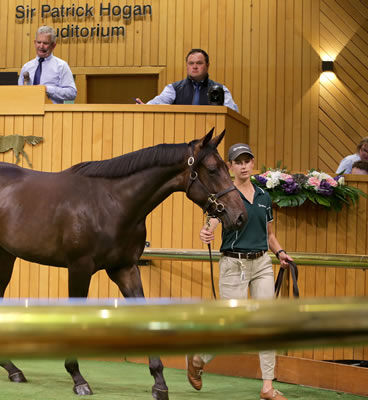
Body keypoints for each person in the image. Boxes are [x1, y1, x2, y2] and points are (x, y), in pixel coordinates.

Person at [186, 143, 293, 400]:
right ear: (230, 166)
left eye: (248, 160)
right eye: (239, 161)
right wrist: (207, 230)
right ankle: (199, 359)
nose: (244, 165)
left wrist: (280, 253)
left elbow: (270, 235)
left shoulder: (264, 197)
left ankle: (267, 386)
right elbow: (212, 221)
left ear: (252, 163)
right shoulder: (225, 194)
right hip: (234, 265)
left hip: (262, 264)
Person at [135, 48, 238, 112]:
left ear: (207, 65)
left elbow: (232, 114)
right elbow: (156, 104)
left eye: (199, 63)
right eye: (191, 63)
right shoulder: (173, 88)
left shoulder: (221, 89)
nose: (195, 66)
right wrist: (145, 107)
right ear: (187, 66)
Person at [18, 26, 77, 104]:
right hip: (28, 112)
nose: (41, 46)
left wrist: (47, 89)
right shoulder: (26, 67)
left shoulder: (61, 66)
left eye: (45, 43)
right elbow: (19, 93)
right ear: (35, 43)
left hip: (52, 115)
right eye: (39, 42)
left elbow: (72, 93)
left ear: (53, 45)